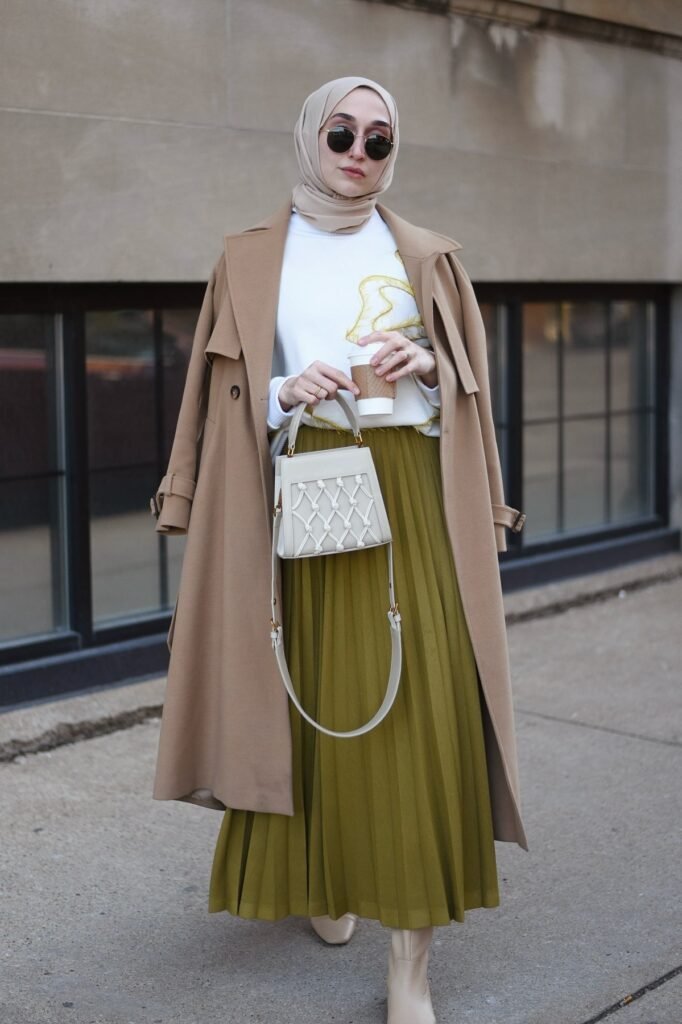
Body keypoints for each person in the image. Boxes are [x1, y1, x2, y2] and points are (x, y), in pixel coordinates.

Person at [151, 76, 528, 1024]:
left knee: (425, 709)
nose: (359, 152)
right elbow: (218, 394)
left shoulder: (429, 257)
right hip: (304, 490)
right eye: (342, 133)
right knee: (313, 699)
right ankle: (327, 878)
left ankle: (411, 966)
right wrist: (286, 390)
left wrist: (432, 367)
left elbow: (471, 397)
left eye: (380, 139)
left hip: (412, 491)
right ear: (310, 137)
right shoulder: (247, 259)